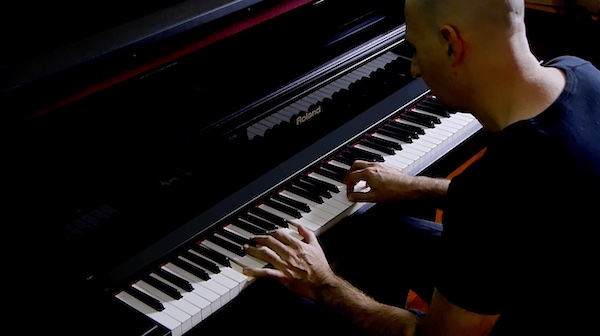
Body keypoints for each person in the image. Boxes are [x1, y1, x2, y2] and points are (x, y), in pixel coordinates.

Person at [241, 0, 600, 335]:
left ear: (451, 44)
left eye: (414, 48)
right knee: (369, 230)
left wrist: (322, 283)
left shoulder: (499, 183)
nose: (413, 67)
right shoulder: (581, 73)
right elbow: (523, 204)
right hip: (547, 268)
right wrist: (413, 186)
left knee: (276, 304)